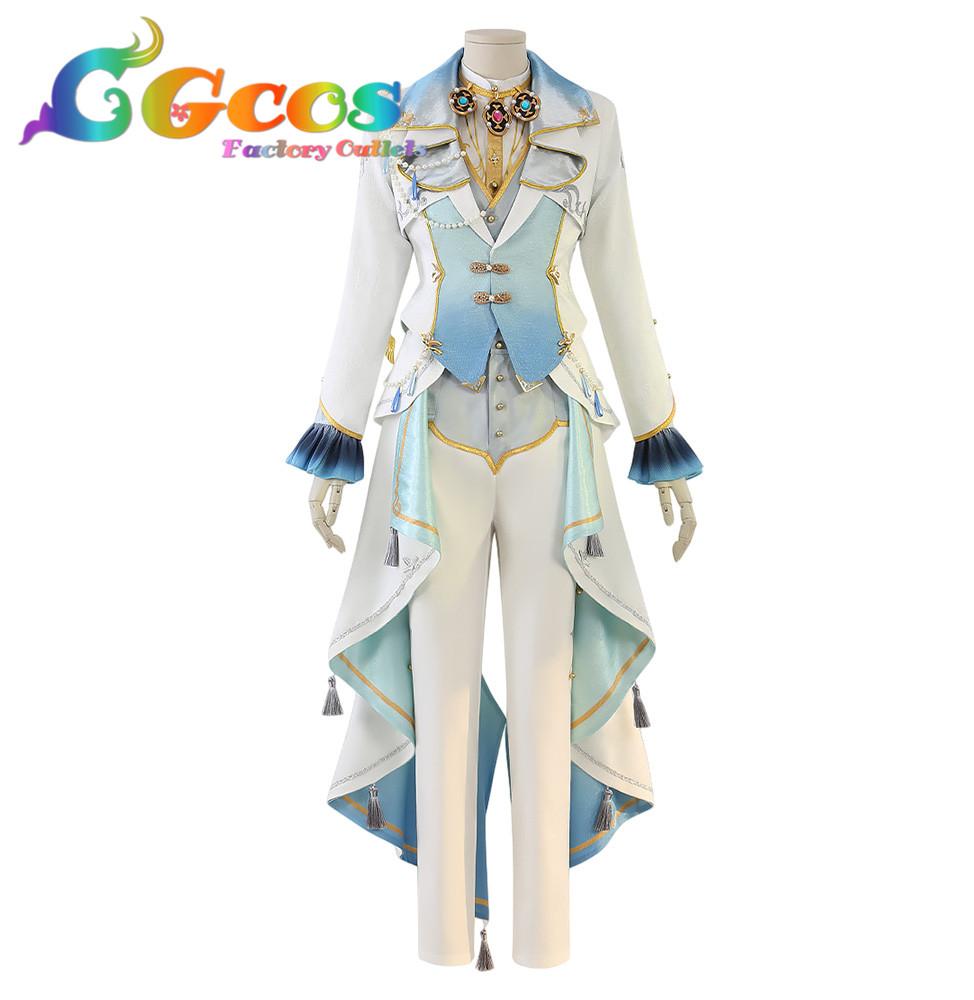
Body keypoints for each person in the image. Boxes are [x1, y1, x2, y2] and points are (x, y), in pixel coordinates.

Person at [286, 31, 703, 969]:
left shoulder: (592, 120)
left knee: (546, 685)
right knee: (439, 689)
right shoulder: (394, 123)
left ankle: (543, 947)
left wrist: (659, 434)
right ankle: (443, 944)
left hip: (554, 432)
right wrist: (335, 436)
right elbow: (366, 285)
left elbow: (621, 282)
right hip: (432, 436)